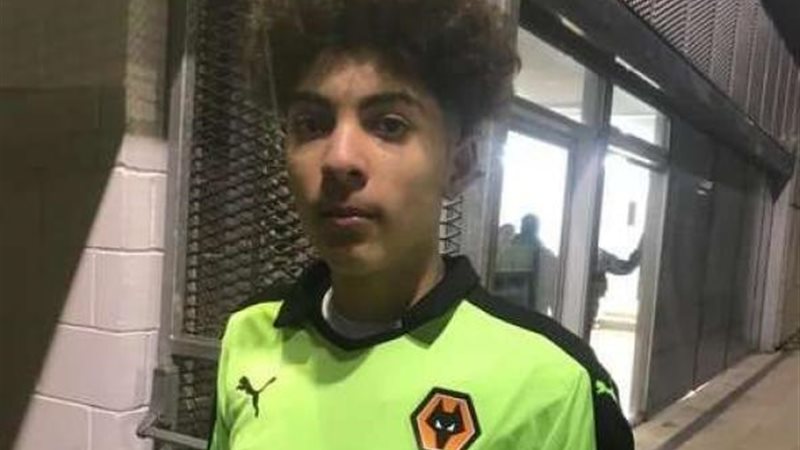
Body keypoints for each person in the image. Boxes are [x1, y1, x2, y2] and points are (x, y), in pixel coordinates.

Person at [208, 1, 633, 449]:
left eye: (389, 125)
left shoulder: (552, 383)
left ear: (459, 165)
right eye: (311, 124)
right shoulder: (251, 333)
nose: (338, 159)